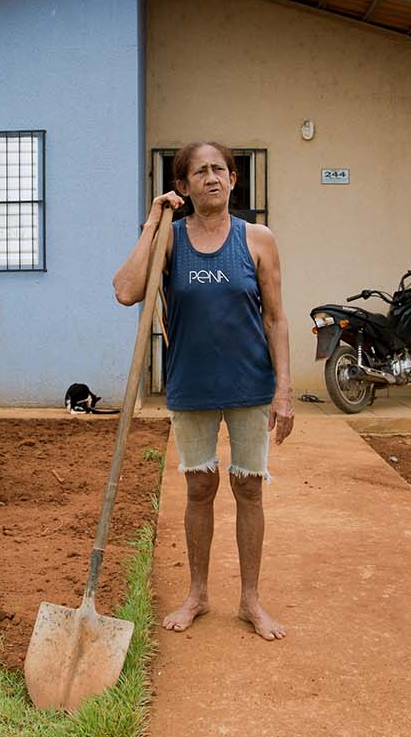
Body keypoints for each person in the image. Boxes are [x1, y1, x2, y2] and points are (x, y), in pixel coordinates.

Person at [112, 141, 293, 641]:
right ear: (183, 186)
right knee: (199, 487)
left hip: (249, 385)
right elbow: (127, 290)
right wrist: (152, 222)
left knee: (249, 487)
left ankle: (251, 600)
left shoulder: (258, 239)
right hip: (190, 384)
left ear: (234, 180)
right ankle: (197, 594)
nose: (211, 177)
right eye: (199, 171)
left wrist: (285, 390)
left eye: (220, 169)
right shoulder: (169, 239)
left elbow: (276, 317)